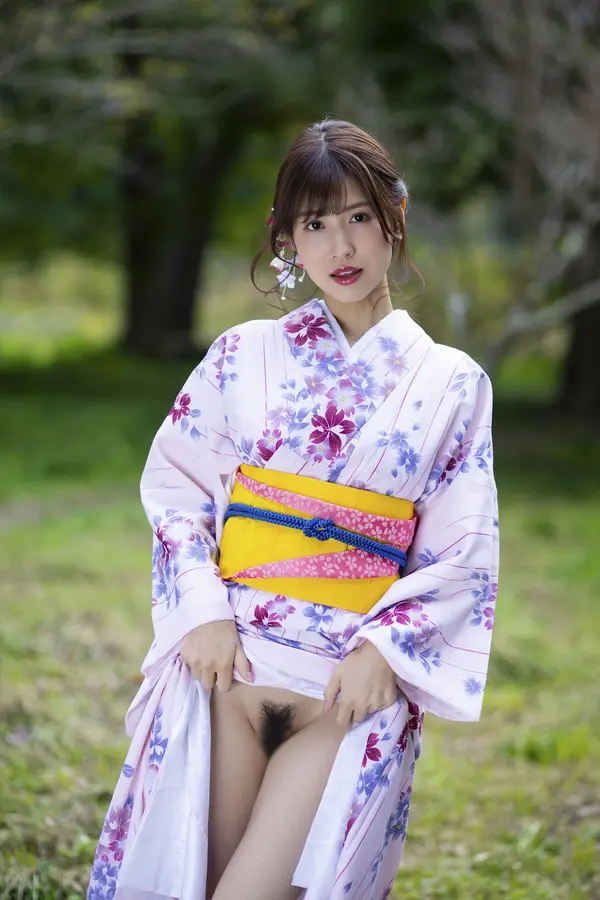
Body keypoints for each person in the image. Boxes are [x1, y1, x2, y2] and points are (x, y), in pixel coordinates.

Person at [87, 118, 499, 900]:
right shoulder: (242, 355)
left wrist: (386, 651)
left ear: (394, 219)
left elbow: (464, 547)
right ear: (286, 240)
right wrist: (200, 610)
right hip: (228, 671)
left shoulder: (452, 383)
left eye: (359, 217)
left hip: (342, 693)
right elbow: (176, 488)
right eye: (315, 224)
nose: (341, 246)